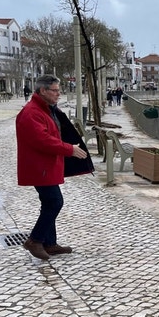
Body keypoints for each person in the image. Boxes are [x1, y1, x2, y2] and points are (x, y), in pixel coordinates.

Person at [16, 75, 94, 260]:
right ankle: (34, 240)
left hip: (47, 165)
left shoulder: (46, 109)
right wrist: (70, 149)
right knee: (54, 202)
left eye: (59, 90)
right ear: (43, 91)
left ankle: (49, 243)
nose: (59, 93)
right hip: (39, 166)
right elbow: (42, 140)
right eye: (55, 90)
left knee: (49, 202)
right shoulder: (31, 112)